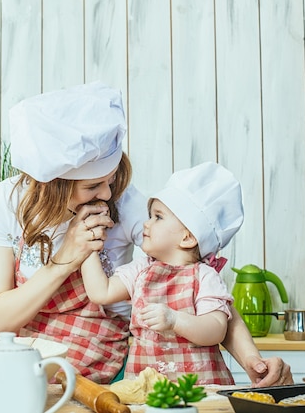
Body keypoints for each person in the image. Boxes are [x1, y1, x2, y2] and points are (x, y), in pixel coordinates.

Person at [0, 81, 293, 386]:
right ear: (53, 186)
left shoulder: (125, 202)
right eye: (92, 186)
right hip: (30, 368)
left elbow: (199, 281)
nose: (106, 193)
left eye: (111, 180)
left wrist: (253, 360)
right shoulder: (4, 205)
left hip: (106, 367)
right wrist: (65, 259)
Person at [81, 162, 243, 384]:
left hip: (199, 390)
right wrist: (88, 244)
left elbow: (215, 330)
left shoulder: (204, 276)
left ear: (188, 237)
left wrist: (174, 320)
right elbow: (101, 293)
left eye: (158, 217)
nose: (146, 224)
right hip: (148, 389)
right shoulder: (140, 269)